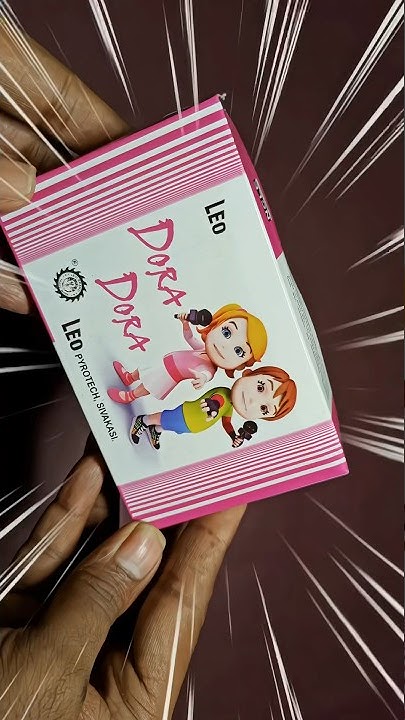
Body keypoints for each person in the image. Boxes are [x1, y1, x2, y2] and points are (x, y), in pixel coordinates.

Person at [0, 23, 245, 719]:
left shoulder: (215, 379)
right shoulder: (198, 347)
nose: (229, 344)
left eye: (237, 346)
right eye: (229, 335)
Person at [107, 305, 268, 403]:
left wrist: (202, 379)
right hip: (164, 364)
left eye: (239, 351)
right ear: (216, 325)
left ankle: (130, 396)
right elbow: (189, 338)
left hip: (168, 376)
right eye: (226, 332)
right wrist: (185, 324)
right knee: (143, 370)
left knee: (149, 385)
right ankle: (129, 378)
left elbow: (205, 375)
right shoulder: (202, 349)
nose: (225, 346)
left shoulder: (210, 368)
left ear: (240, 365)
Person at [129, 366, 297, 450]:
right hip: (186, 414)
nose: (252, 402)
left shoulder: (230, 407)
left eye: (264, 409)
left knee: (171, 427)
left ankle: (155, 430)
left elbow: (226, 422)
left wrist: (233, 436)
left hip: (193, 426)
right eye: (260, 388)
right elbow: (217, 400)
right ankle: (143, 421)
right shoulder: (224, 394)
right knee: (164, 418)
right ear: (248, 374)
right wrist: (213, 406)